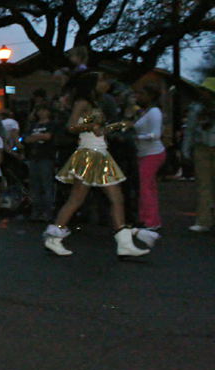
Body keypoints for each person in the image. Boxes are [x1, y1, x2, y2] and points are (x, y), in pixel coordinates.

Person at [43, 72, 152, 257]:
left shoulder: (94, 104)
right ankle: (54, 238)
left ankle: (124, 243)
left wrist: (117, 126)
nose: (105, 83)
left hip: (99, 154)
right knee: (78, 199)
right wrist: (89, 127)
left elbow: (97, 130)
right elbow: (71, 126)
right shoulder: (82, 103)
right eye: (100, 80)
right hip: (89, 155)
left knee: (113, 198)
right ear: (92, 85)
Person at [181, 77, 215, 233]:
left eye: (206, 91)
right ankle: (203, 220)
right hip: (201, 147)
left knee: (205, 186)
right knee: (203, 186)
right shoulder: (196, 109)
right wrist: (185, 149)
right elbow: (190, 130)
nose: (203, 94)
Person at [133, 85, 166, 230]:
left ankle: (150, 220)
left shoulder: (154, 113)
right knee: (148, 187)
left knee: (145, 187)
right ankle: (148, 218)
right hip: (145, 153)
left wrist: (137, 137)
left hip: (153, 153)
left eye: (141, 93)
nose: (137, 96)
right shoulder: (146, 112)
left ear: (150, 96)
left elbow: (156, 135)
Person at [23, 102, 58, 222]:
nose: (41, 113)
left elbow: (48, 137)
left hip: (46, 157)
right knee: (35, 185)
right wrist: (40, 136)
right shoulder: (33, 125)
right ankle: (36, 211)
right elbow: (26, 139)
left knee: (46, 185)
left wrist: (36, 137)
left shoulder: (52, 124)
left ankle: (47, 212)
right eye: (39, 110)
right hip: (34, 157)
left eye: (44, 110)